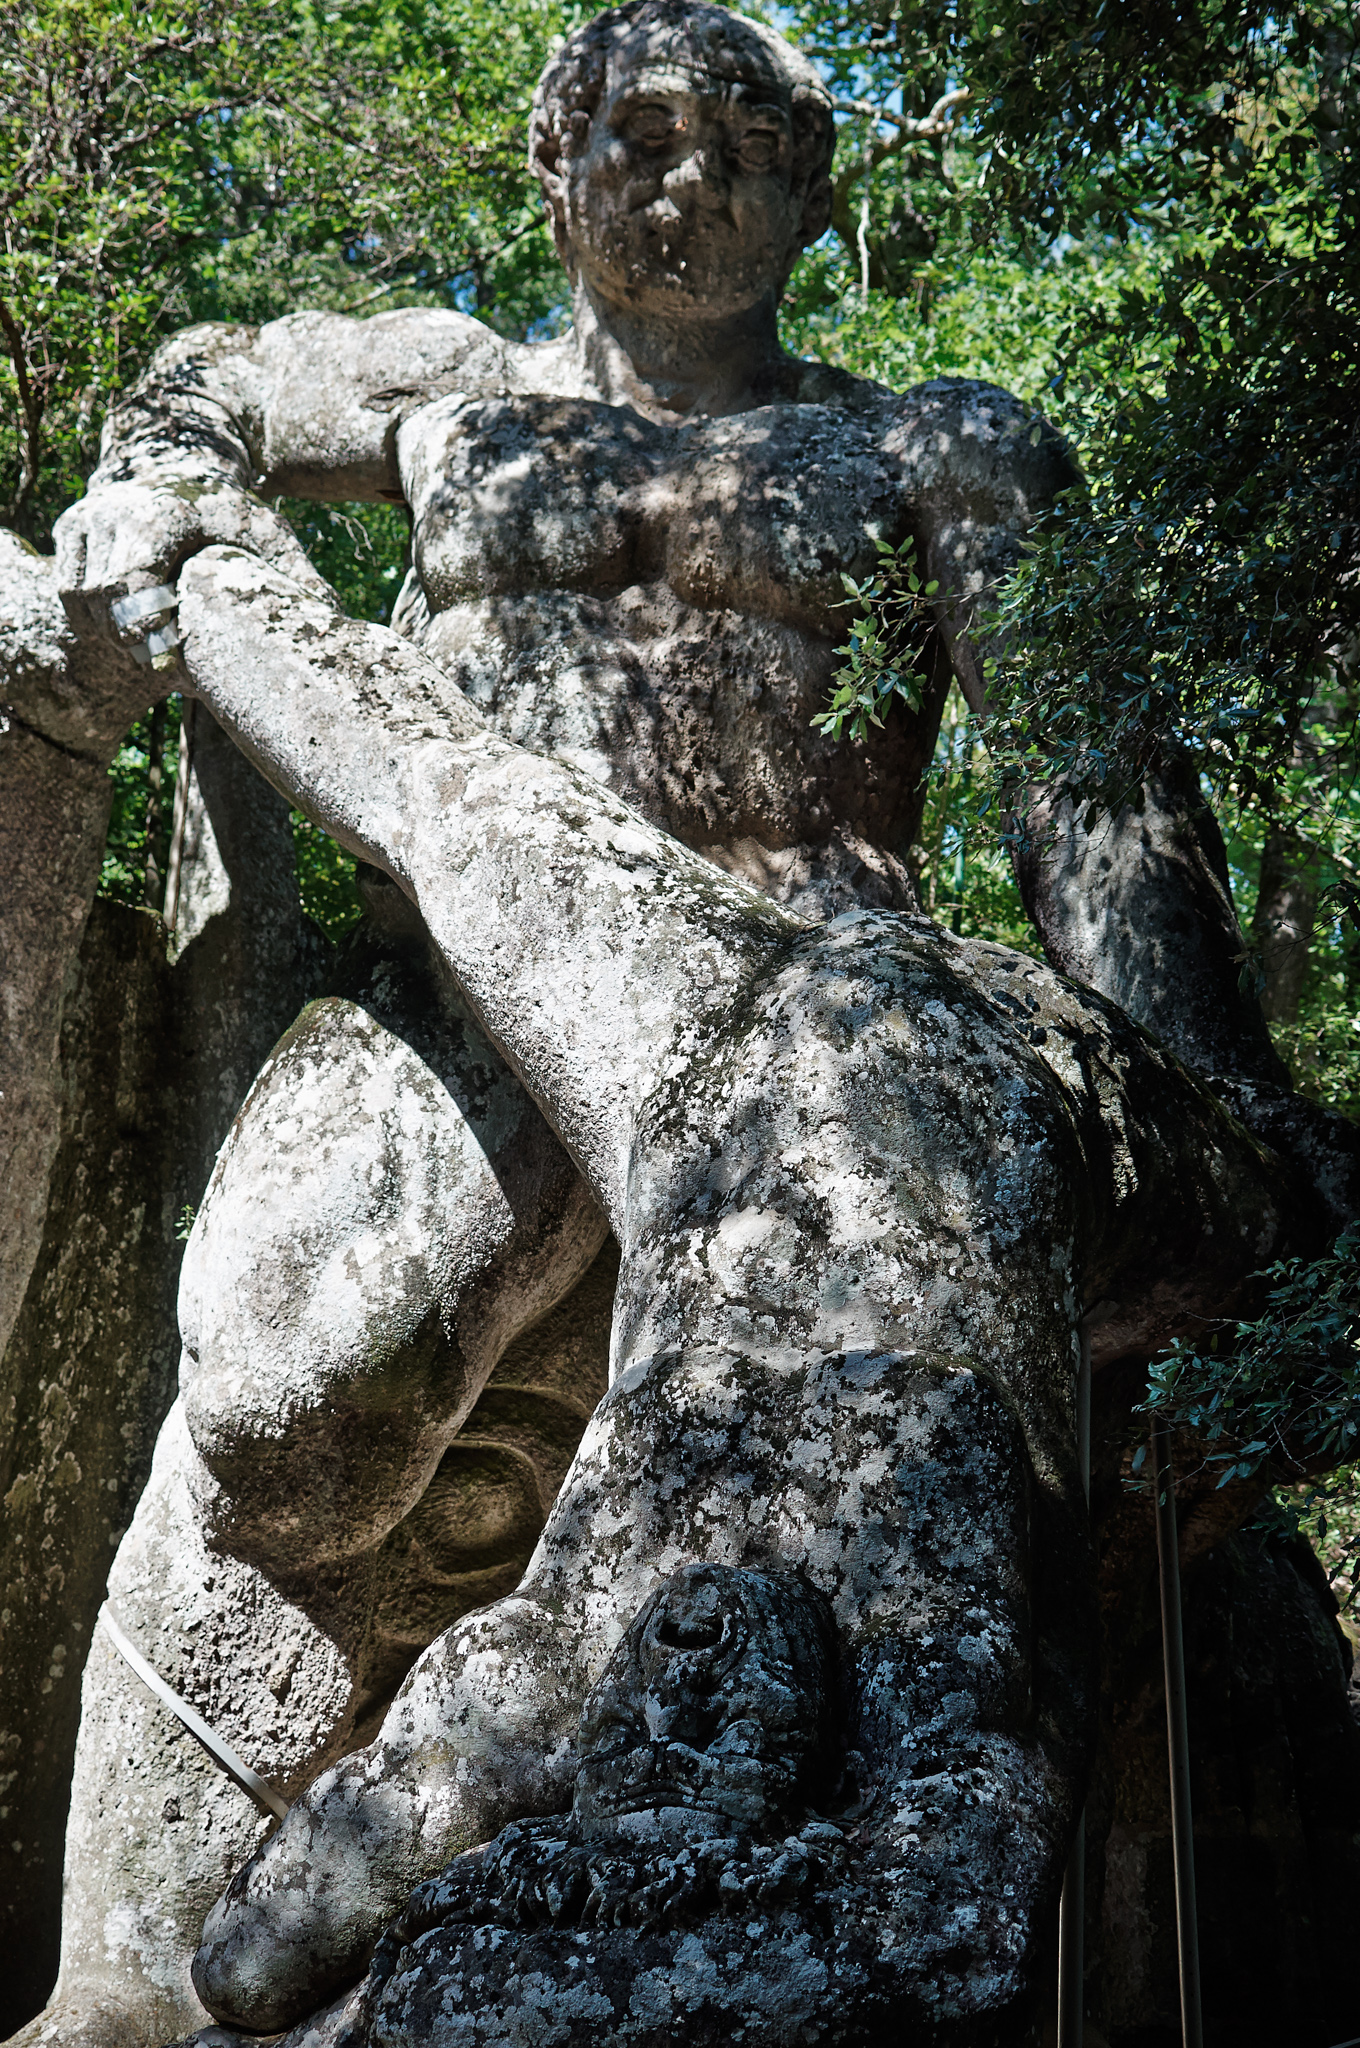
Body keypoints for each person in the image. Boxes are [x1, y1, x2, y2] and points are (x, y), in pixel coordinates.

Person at [27, 5, 1269, 2044]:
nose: (687, 179)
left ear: (811, 189)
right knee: (295, 1383)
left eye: (741, 145)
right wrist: (162, 489)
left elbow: (1090, 794)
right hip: (468, 985)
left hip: (804, 1010)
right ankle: (131, 1974)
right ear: (553, 163)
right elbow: (212, 381)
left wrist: (1203, 1101)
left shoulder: (929, 447)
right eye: (640, 134)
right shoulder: (448, 390)